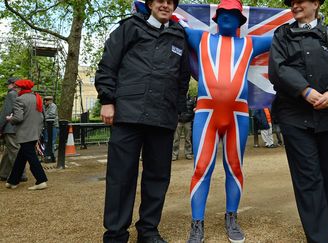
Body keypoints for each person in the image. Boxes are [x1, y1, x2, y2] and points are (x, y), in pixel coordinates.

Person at [95, 0, 190, 241]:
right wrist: (107, 100)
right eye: (160, 1)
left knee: (157, 178)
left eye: (170, 2)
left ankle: (148, 230)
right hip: (128, 114)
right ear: (150, 4)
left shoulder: (180, 36)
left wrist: (179, 109)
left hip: (163, 117)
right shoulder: (129, 27)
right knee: (121, 176)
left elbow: (182, 78)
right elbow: (108, 64)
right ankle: (116, 233)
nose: (165, 5)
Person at [179, 0, 272, 242]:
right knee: (201, 168)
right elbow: (170, 18)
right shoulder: (199, 39)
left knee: (235, 168)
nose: (228, 17)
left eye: (233, 13)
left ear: (241, 20)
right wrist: (140, 6)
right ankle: (197, 223)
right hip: (206, 113)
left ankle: (231, 217)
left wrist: (306, 15)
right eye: (223, 13)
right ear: (216, 17)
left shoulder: (250, 43)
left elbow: (282, 34)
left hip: (237, 114)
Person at [268, 0, 328, 242]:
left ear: (316, 3)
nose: (295, 5)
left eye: (300, 1)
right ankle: (318, 237)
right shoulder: (282, 35)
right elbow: (278, 68)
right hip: (295, 117)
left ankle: (323, 230)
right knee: (308, 177)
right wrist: (305, 91)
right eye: (292, 2)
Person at [5, 79, 47, 190]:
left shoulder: (19, 99)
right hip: (35, 132)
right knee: (21, 157)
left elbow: (18, 118)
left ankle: (41, 180)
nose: (15, 89)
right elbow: (42, 116)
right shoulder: (36, 98)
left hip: (25, 133)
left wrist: (10, 119)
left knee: (31, 157)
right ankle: (13, 181)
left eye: (16, 87)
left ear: (21, 88)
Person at [0, 77, 26, 182]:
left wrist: (0, 127)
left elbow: (6, 112)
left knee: (14, 151)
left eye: (9, 84)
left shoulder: (11, 94)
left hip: (11, 128)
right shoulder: (24, 95)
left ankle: (21, 174)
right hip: (19, 127)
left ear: (13, 84)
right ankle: (3, 173)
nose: (8, 86)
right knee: (9, 151)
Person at [172, 94, 195, 161]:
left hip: (188, 122)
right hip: (178, 122)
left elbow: (194, 109)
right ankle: (174, 154)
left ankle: (188, 153)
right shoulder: (177, 98)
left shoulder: (192, 100)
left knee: (188, 139)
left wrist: (191, 118)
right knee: (176, 139)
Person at [43, 96, 59, 161]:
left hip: (53, 126)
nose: (45, 101)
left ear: (50, 101)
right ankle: (47, 156)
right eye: (44, 100)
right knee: (46, 141)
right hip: (47, 126)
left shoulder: (53, 106)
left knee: (52, 141)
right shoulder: (44, 107)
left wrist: (44, 117)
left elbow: (51, 115)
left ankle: (52, 156)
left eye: (46, 100)